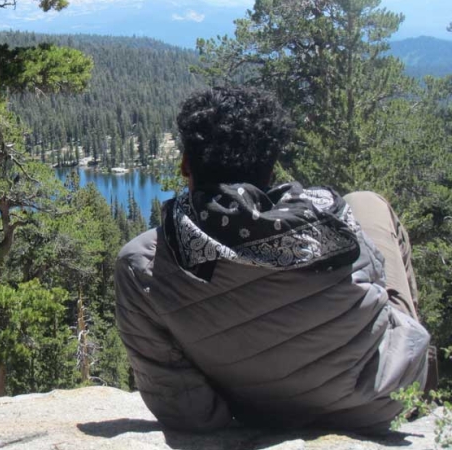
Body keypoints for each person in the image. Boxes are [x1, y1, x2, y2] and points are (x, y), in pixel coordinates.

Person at [114, 86, 433, 434]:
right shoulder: (334, 222)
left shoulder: (143, 262)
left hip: (263, 416)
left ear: (186, 165)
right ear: (270, 169)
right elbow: (375, 291)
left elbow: (188, 412)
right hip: (378, 405)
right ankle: (428, 396)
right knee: (368, 202)